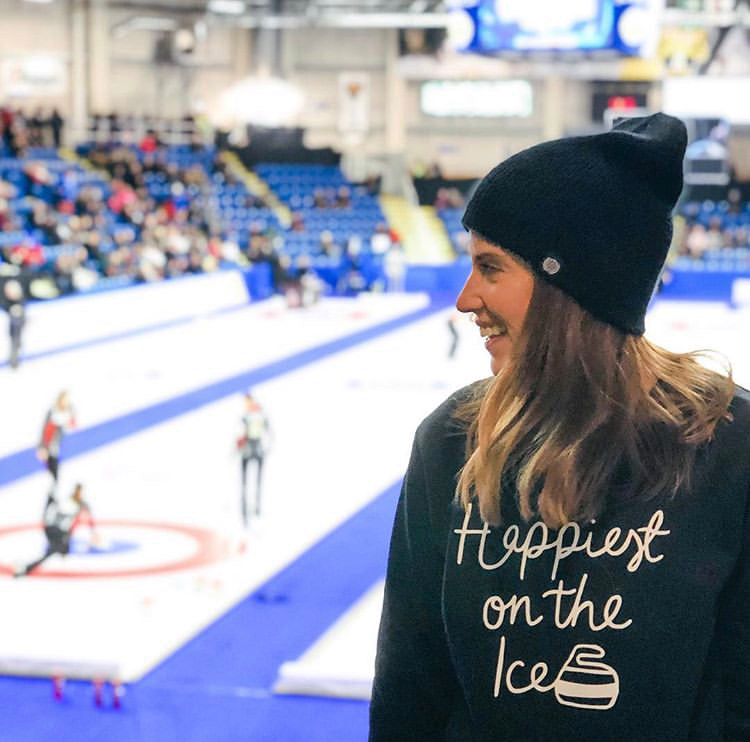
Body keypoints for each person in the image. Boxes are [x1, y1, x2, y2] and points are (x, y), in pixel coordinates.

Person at [370, 114, 750, 741]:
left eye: (491, 268)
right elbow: (410, 688)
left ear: (568, 287)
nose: (465, 298)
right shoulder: (451, 440)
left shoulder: (729, 448)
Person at [15, 483, 97, 577]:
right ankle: (25, 568)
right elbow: (61, 516)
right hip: (55, 530)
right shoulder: (68, 502)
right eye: (77, 491)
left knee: (59, 548)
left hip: (60, 531)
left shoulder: (81, 504)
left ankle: (27, 567)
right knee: (53, 550)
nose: (78, 493)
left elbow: (83, 518)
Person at [236, 392, 271, 526]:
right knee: (246, 482)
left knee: (255, 481)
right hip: (250, 449)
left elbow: (268, 433)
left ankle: (256, 509)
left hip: (255, 449)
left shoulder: (256, 416)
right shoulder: (247, 416)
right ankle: (247, 511)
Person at [37, 390, 76, 484]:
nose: (65, 402)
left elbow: (73, 426)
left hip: (66, 449)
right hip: (52, 449)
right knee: (53, 476)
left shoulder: (69, 413)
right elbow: (45, 432)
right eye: (63, 400)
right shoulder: (53, 413)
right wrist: (42, 447)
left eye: (67, 400)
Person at [1, 278, 25, 369]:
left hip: (16, 330)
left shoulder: (21, 304)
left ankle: (14, 360)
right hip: (11, 331)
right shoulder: (5, 303)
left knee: (16, 342)